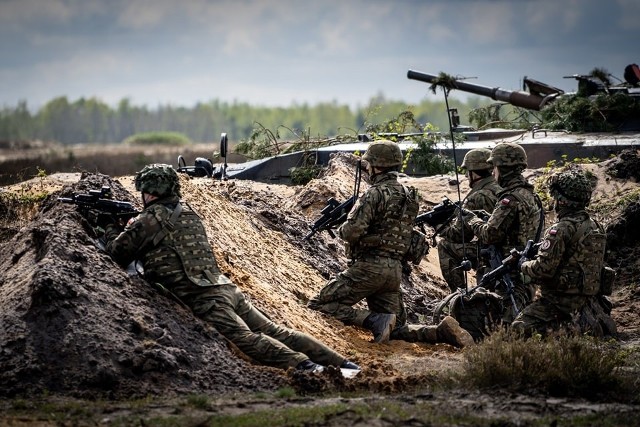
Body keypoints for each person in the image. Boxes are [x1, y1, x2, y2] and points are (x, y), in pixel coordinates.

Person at [101, 163, 359, 373]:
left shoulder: (150, 219)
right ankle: (344, 364)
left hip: (205, 298)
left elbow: (117, 253)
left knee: (247, 340)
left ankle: (310, 369)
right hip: (225, 287)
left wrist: (112, 226)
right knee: (275, 331)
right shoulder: (187, 213)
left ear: (147, 191)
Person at [308, 140, 474, 348]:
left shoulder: (374, 193)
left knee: (319, 304)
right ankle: (438, 332)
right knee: (397, 328)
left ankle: (373, 320)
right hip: (393, 272)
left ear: (377, 166)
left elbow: (351, 233)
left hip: (368, 268)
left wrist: (343, 225)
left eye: (369, 164)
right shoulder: (409, 195)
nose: (367, 168)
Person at [512, 167, 617, 337]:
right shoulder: (597, 227)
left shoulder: (560, 230)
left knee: (518, 327)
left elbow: (543, 269)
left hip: (560, 302)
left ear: (561, 200)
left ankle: (563, 335)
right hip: (589, 300)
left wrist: (523, 265)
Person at [461, 142, 544, 323]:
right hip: (525, 270)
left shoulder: (510, 199)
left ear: (502, 169)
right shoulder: (531, 195)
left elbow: (490, 234)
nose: (493, 173)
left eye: (495, 168)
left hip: (510, 273)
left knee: (503, 325)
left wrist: (471, 219)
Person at [437, 148, 502, 292]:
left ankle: (460, 295)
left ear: (473, 172)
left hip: (492, 254)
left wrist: (438, 226)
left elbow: (460, 235)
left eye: (467, 172)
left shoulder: (477, 196)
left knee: (444, 246)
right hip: (509, 249)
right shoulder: (501, 188)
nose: (467, 176)